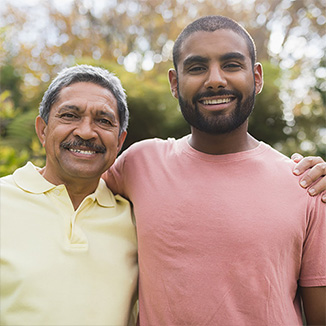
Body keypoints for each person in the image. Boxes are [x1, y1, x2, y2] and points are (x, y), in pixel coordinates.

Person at [103, 16, 326, 325]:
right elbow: (69, 196)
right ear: (174, 82)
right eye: (196, 68)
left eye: (232, 65)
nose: (215, 80)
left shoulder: (306, 184)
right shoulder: (139, 163)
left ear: (256, 77)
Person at [0, 65, 138, 325]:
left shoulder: (137, 222)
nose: (86, 132)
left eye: (104, 121)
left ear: (119, 141)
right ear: (43, 130)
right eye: (70, 116)